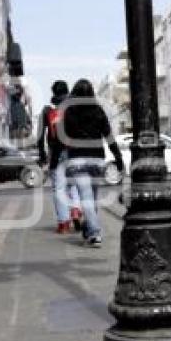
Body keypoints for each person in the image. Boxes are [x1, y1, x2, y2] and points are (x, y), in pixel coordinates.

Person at [62, 79, 125, 247]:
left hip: (77, 159)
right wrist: (118, 158)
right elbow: (109, 137)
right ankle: (90, 229)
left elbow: (64, 137)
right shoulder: (98, 111)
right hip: (96, 160)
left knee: (86, 198)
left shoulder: (69, 112)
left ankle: (95, 233)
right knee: (93, 199)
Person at [37, 80, 82, 233]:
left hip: (56, 153)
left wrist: (42, 154)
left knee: (59, 188)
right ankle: (76, 209)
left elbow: (40, 136)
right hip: (74, 151)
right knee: (74, 183)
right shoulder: (74, 108)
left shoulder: (47, 111)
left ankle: (63, 223)